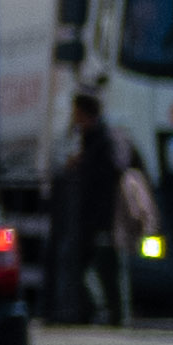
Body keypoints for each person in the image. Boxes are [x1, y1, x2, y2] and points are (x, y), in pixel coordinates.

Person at [53, 77, 135, 331]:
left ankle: (107, 312)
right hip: (96, 216)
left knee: (102, 267)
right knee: (96, 266)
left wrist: (83, 164)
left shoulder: (104, 140)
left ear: (84, 112)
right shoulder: (98, 138)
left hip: (102, 217)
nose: (74, 118)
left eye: (76, 112)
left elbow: (109, 173)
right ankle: (107, 312)